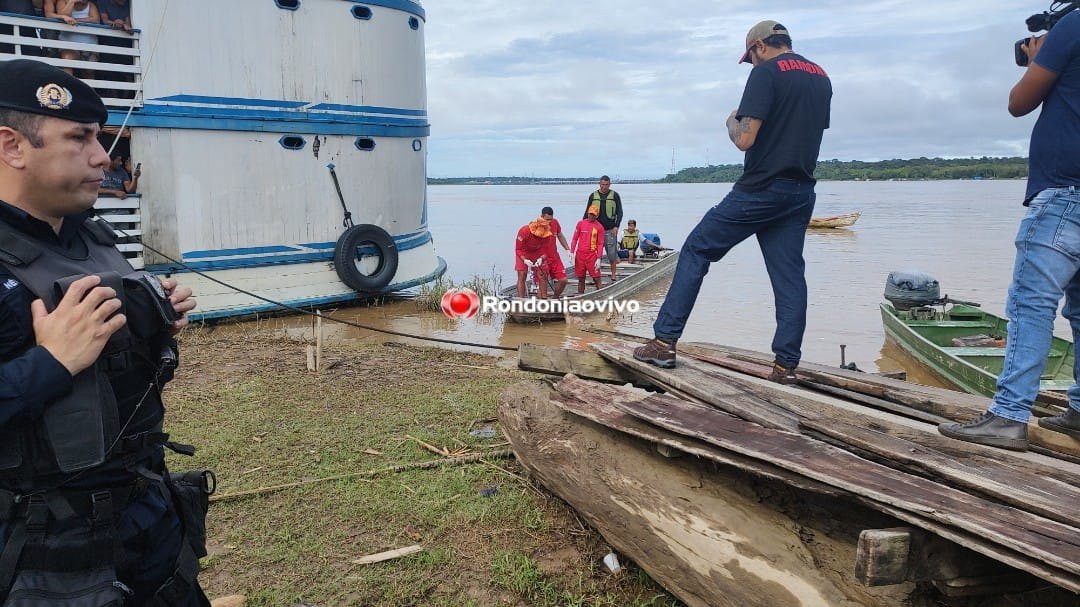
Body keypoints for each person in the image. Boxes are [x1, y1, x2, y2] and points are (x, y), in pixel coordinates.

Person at [0, 59, 209, 605]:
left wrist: (156, 317)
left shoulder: (90, 235)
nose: (103, 157)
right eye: (80, 138)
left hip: (147, 518)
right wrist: (47, 364)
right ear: (12, 146)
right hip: (43, 553)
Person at [633, 20, 832, 376]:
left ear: (759, 46)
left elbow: (745, 139)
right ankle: (786, 365)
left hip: (761, 188)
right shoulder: (820, 76)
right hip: (801, 191)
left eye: (751, 57)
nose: (751, 63)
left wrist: (731, 121)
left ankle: (663, 343)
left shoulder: (767, 73)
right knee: (789, 276)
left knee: (696, 248)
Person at [938, 11, 1080, 451]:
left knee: (1030, 305)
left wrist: (1042, 53)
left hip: (1064, 193)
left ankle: (1008, 414)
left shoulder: (1073, 26)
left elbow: (1019, 102)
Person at [514, 216, 566, 298]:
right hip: (523, 253)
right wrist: (524, 260)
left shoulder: (548, 235)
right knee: (522, 274)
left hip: (538, 253)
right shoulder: (524, 231)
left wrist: (541, 258)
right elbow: (518, 249)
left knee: (542, 274)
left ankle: (544, 299)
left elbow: (546, 252)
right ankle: (521, 300)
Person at [582, 175, 622, 282]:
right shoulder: (593, 196)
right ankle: (593, 275)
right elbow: (587, 212)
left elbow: (620, 212)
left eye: (606, 185)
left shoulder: (615, 195)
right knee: (592, 253)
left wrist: (616, 226)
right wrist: (583, 226)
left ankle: (613, 274)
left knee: (612, 253)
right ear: (599, 184)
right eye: (603, 184)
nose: (604, 187)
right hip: (595, 230)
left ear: (610, 184)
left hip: (610, 229)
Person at [45, 0, 100, 75]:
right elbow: (63, 14)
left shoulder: (91, 5)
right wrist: (72, 1)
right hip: (69, 45)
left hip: (89, 45)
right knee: (67, 61)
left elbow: (96, 20)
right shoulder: (63, 1)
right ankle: (67, 86)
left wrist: (77, 21)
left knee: (89, 72)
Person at [570, 205, 605, 295]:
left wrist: (599, 258)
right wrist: (571, 252)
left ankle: (601, 294)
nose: (591, 216)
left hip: (592, 255)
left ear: (597, 215)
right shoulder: (580, 223)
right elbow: (574, 239)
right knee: (581, 278)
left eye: (593, 215)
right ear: (587, 213)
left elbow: (600, 243)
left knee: (596, 277)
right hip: (580, 255)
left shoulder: (599, 227)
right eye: (590, 214)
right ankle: (580, 296)